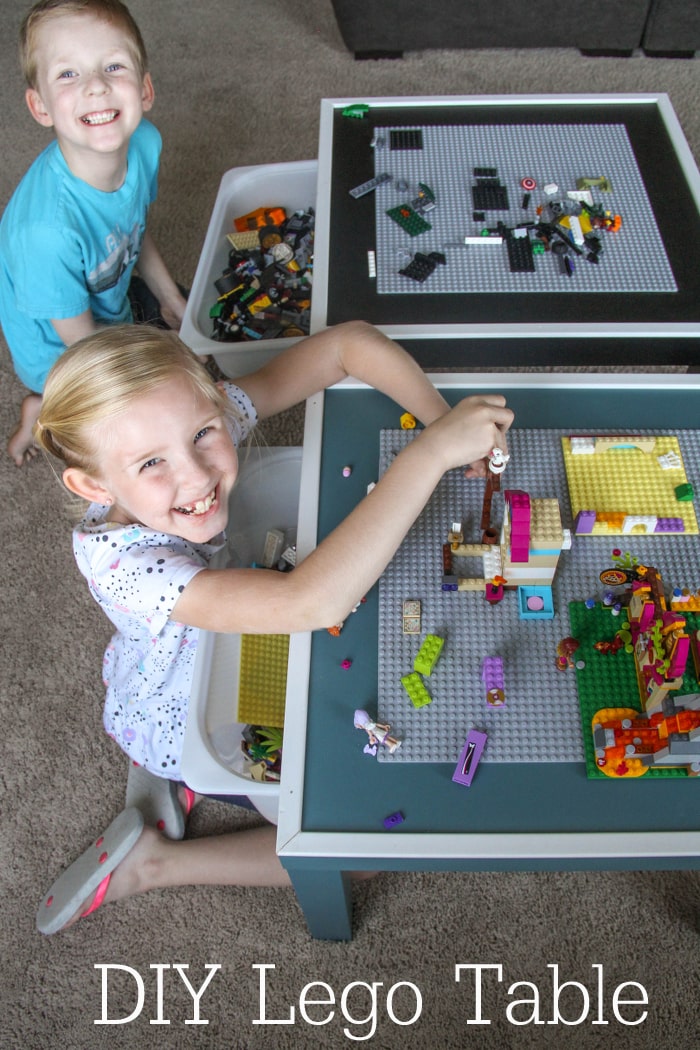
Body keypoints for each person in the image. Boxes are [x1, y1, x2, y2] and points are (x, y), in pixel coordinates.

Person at [33, 320, 513, 934]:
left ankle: (169, 785)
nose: (198, 474)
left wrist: (441, 421)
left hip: (209, 642)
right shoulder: (127, 565)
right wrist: (430, 452)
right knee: (354, 850)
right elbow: (312, 604)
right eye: (152, 463)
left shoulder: (189, 421)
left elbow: (348, 346)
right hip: (185, 701)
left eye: (205, 433)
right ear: (92, 485)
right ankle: (155, 864)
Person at [0, 0, 187, 466]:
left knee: (201, 323)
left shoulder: (145, 143)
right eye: (68, 74)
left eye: (113, 66)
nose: (97, 86)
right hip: (64, 351)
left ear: (144, 90)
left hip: (111, 295)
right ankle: (44, 409)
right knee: (135, 433)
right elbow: (86, 348)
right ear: (39, 106)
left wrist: (169, 299)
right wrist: (153, 368)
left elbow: (134, 228)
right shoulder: (44, 231)